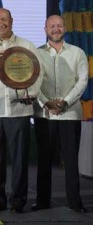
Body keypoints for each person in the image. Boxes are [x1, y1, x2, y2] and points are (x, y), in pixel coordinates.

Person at [0, 8, 42, 213]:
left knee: (20, 160)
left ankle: (18, 201)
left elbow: (38, 73)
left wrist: (34, 94)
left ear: (12, 21)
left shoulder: (26, 45)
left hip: (18, 110)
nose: (0, 24)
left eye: (3, 19)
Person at [32, 15, 88, 213]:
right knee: (44, 160)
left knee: (71, 161)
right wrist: (45, 102)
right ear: (45, 29)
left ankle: (75, 202)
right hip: (44, 115)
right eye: (52, 26)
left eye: (59, 26)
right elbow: (32, 82)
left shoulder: (77, 52)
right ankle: (42, 201)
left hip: (70, 114)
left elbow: (82, 82)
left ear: (65, 28)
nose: (56, 29)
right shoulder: (35, 54)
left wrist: (65, 102)